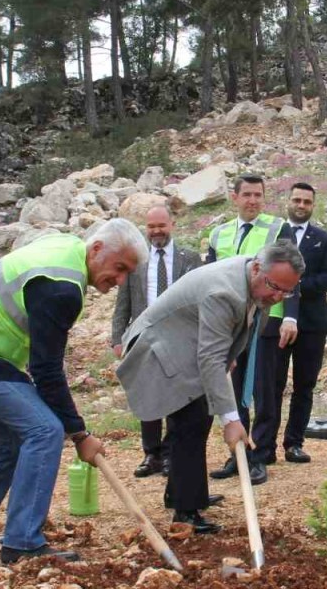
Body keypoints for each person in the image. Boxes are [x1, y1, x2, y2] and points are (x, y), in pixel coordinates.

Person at [0, 219, 144, 565]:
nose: (120, 280)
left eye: (127, 274)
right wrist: (79, 433)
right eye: (118, 267)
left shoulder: (68, 250)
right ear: (96, 250)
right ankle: (22, 543)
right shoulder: (62, 287)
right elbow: (46, 371)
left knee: (10, 443)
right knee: (44, 431)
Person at [117, 241, 304, 534]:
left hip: (187, 342)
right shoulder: (224, 292)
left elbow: (225, 342)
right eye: (274, 286)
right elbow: (209, 358)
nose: (278, 295)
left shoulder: (255, 279)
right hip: (160, 347)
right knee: (189, 420)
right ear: (257, 268)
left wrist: (226, 358)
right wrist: (231, 420)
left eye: (286, 291)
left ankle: (188, 493)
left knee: (197, 418)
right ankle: (185, 511)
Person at [205, 174, 295, 486]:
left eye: (258, 195)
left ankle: (262, 453)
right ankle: (239, 452)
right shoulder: (220, 233)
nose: (253, 201)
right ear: (235, 197)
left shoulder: (277, 228)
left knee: (264, 390)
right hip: (229, 322)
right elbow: (210, 274)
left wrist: (290, 317)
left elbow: (294, 274)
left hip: (267, 319)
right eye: (247, 195)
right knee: (234, 388)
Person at [110, 205, 202, 479]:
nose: (156, 231)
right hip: (144, 337)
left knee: (176, 396)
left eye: (161, 225)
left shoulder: (190, 258)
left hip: (179, 337)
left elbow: (198, 298)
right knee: (148, 394)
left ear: (172, 224)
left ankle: (172, 454)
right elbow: (122, 303)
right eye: (151, 227)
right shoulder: (136, 261)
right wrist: (118, 338)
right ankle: (151, 454)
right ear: (145, 228)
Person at [255, 182, 327, 465]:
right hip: (276, 319)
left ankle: (294, 443)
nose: (301, 205)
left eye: (307, 201)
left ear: (313, 205)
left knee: (304, 385)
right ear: (288, 202)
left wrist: (298, 284)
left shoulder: (324, 239)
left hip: (312, 323)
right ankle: (265, 445)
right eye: (297, 200)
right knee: (272, 385)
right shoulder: (275, 237)